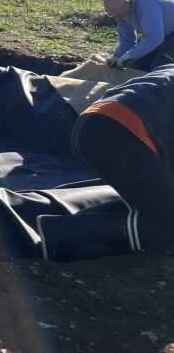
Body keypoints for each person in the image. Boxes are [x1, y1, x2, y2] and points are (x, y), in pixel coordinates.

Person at [37, 64, 174, 260]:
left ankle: (63, 229)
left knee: (154, 203)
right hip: (118, 131)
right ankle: (61, 235)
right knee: (167, 226)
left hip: (92, 124)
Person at [102, 0, 174, 71]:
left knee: (160, 69)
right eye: (114, 16)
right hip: (161, 34)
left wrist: (129, 56)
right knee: (136, 66)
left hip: (168, 34)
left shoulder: (147, 4)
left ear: (126, 4)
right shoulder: (120, 12)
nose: (118, 18)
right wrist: (117, 56)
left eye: (118, 14)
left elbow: (155, 37)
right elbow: (127, 41)